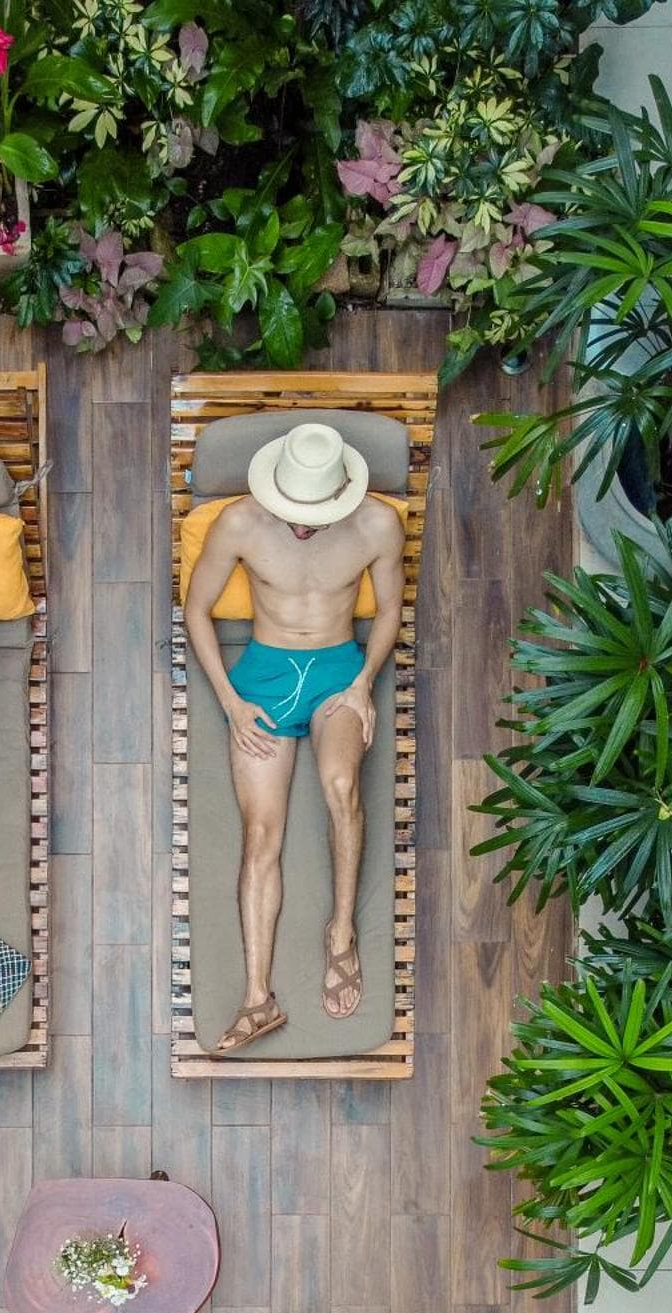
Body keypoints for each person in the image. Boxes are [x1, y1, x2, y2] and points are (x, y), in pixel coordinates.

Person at [183, 422, 405, 1054]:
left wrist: (363, 682)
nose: (301, 527)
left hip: (338, 672)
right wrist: (230, 702)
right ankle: (259, 999)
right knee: (260, 835)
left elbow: (390, 609)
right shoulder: (239, 523)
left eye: (314, 516)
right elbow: (195, 610)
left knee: (341, 786)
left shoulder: (378, 524)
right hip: (264, 678)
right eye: (292, 514)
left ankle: (342, 933)